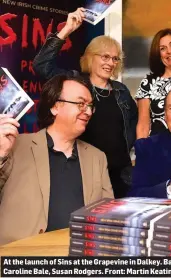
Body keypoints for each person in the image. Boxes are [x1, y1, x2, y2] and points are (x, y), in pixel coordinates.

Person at [33, 8, 137, 198]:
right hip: (84, 170)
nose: (111, 63)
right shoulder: (76, 83)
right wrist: (67, 29)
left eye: (115, 58)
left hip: (121, 176)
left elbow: (133, 126)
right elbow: (41, 66)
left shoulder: (121, 91)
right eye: (105, 56)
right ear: (91, 57)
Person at [0, 72, 113, 245]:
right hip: (20, 260)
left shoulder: (97, 158)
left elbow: (108, 217)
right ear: (55, 106)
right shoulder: (16, 146)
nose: (88, 111)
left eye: (91, 105)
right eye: (81, 104)